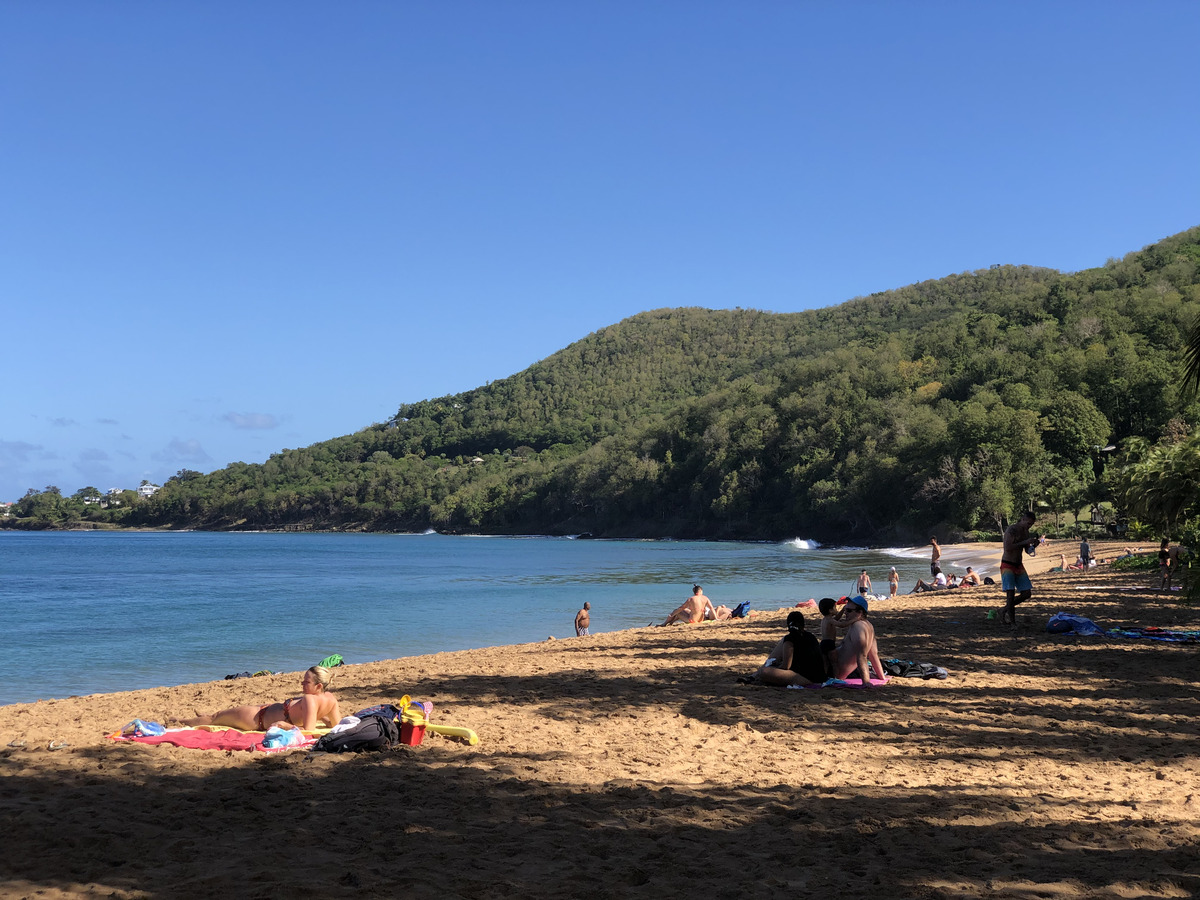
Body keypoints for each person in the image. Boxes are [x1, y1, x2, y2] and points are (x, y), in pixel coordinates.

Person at [180, 666, 341, 732]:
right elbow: (337, 725)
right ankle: (196, 718)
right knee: (218, 716)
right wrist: (324, 718)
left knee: (215, 718)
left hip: (257, 718)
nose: (302, 684)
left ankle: (182, 721)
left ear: (319, 686)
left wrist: (285, 725)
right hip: (265, 710)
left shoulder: (309, 700)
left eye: (306, 682)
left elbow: (308, 730)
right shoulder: (331, 699)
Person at [755, 610, 827, 686]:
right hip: (819, 676)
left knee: (763, 672)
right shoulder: (811, 636)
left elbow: (786, 666)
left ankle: (755, 675)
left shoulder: (789, 639)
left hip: (805, 678)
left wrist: (776, 667)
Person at [830, 596, 885, 686]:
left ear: (860, 612)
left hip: (833, 672)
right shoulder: (869, 625)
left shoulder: (857, 627)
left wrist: (866, 682)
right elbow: (873, 655)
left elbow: (862, 655)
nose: (845, 613)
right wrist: (882, 677)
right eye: (845, 610)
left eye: (849, 611)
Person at [1000, 511, 1037, 628]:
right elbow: (1008, 547)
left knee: (1027, 593)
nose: (1028, 526)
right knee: (1010, 594)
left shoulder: (1026, 532)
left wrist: (1033, 545)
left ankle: (1004, 609)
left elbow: (1027, 550)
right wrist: (1025, 542)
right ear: (1022, 519)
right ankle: (1012, 622)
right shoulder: (1012, 530)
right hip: (1008, 564)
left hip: (1018, 564)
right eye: (1028, 523)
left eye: (1031, 524)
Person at [817, 598, 838, 676]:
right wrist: (854, 620)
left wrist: (843, 610)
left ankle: (824, 677)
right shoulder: (830, 620)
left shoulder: (825, 619)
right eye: (835, 607)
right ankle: (837, 678)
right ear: (830, 610)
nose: (836, 609)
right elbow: (841, 625)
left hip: (823, 643)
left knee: (825, 663)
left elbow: (837, 619)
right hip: (830, 643)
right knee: (834, 663)